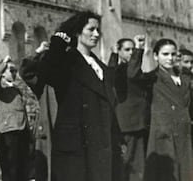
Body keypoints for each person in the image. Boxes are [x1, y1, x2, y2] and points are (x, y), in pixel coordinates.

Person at [38, 11, 122, 181]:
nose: (96, 34)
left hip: (101, 144)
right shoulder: (67, 62)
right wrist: (57, 43)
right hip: (78, 146)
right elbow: (46, 73)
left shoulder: (100, 67)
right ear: (77, 32)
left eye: (98, 30)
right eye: (91, 29)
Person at [129, 38, 193, 181]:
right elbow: (133, 75)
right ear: (156, 56)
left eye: (172, 54)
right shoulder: (153, 77)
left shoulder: (185, 78)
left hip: (184, 134)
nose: (170, 58)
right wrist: (138, 50)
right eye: (165, 54)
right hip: (165, 135)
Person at [108, 36, 148, 181]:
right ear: (119, 51)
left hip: (137, 123)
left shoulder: (134, 68)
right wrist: (139, 50)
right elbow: (130, 73)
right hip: (127, 125)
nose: (131, 52)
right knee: (126, 164)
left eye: (132, 50)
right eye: (127, 49)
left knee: (137, 166)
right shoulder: (121, 70)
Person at [19, 41, 57, 181]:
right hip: (48, 131)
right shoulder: (42, 83)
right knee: (46, 170)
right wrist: (38, 52)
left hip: (68, 130)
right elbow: (25, 71)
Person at [0, 56, 32, 181]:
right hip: (9, 133)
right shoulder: (0, 90)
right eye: (11, 70)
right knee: (10, 169)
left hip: (22, 131)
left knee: (22, 168)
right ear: (3, 74)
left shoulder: (17, 90)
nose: (14, 73)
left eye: (15, 71)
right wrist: (4, 63)